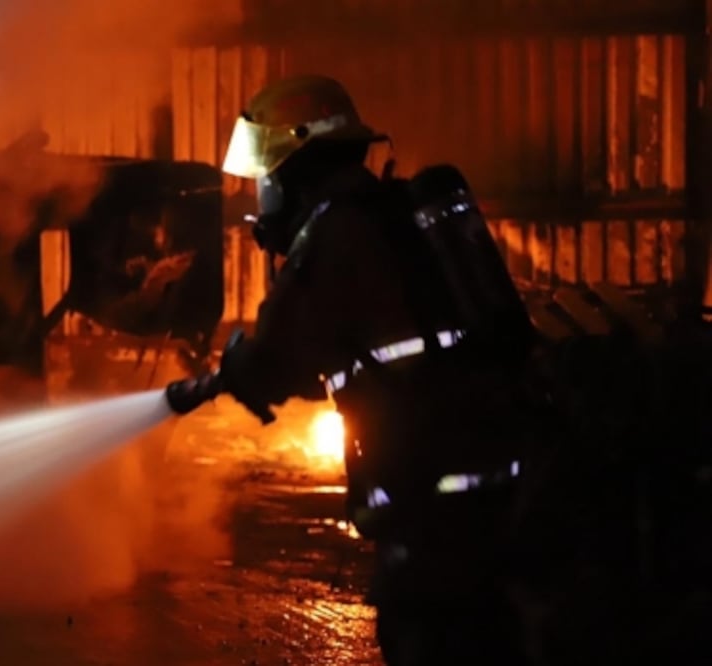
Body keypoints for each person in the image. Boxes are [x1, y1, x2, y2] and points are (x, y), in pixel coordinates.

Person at [166, 74, 536, 665]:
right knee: (486, 634)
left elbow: (279, 352)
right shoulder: (389, 215)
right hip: (485, 485)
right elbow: (372, 348)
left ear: (295, 163)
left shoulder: (337, 231)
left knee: (432, 639)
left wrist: (236, 366)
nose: (265, 193)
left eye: (268, 175)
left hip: (429, 500)